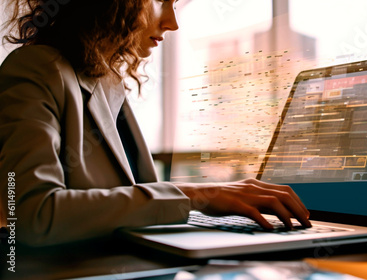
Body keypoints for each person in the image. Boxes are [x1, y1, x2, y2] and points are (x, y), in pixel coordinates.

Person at [0, 0, 311, 247]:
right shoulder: (36, 68)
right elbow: (30, 216)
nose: (172, 23)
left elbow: (135, 201)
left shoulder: (108, 82)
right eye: (162, 0)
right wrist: (196, 196)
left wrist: (205, 197)